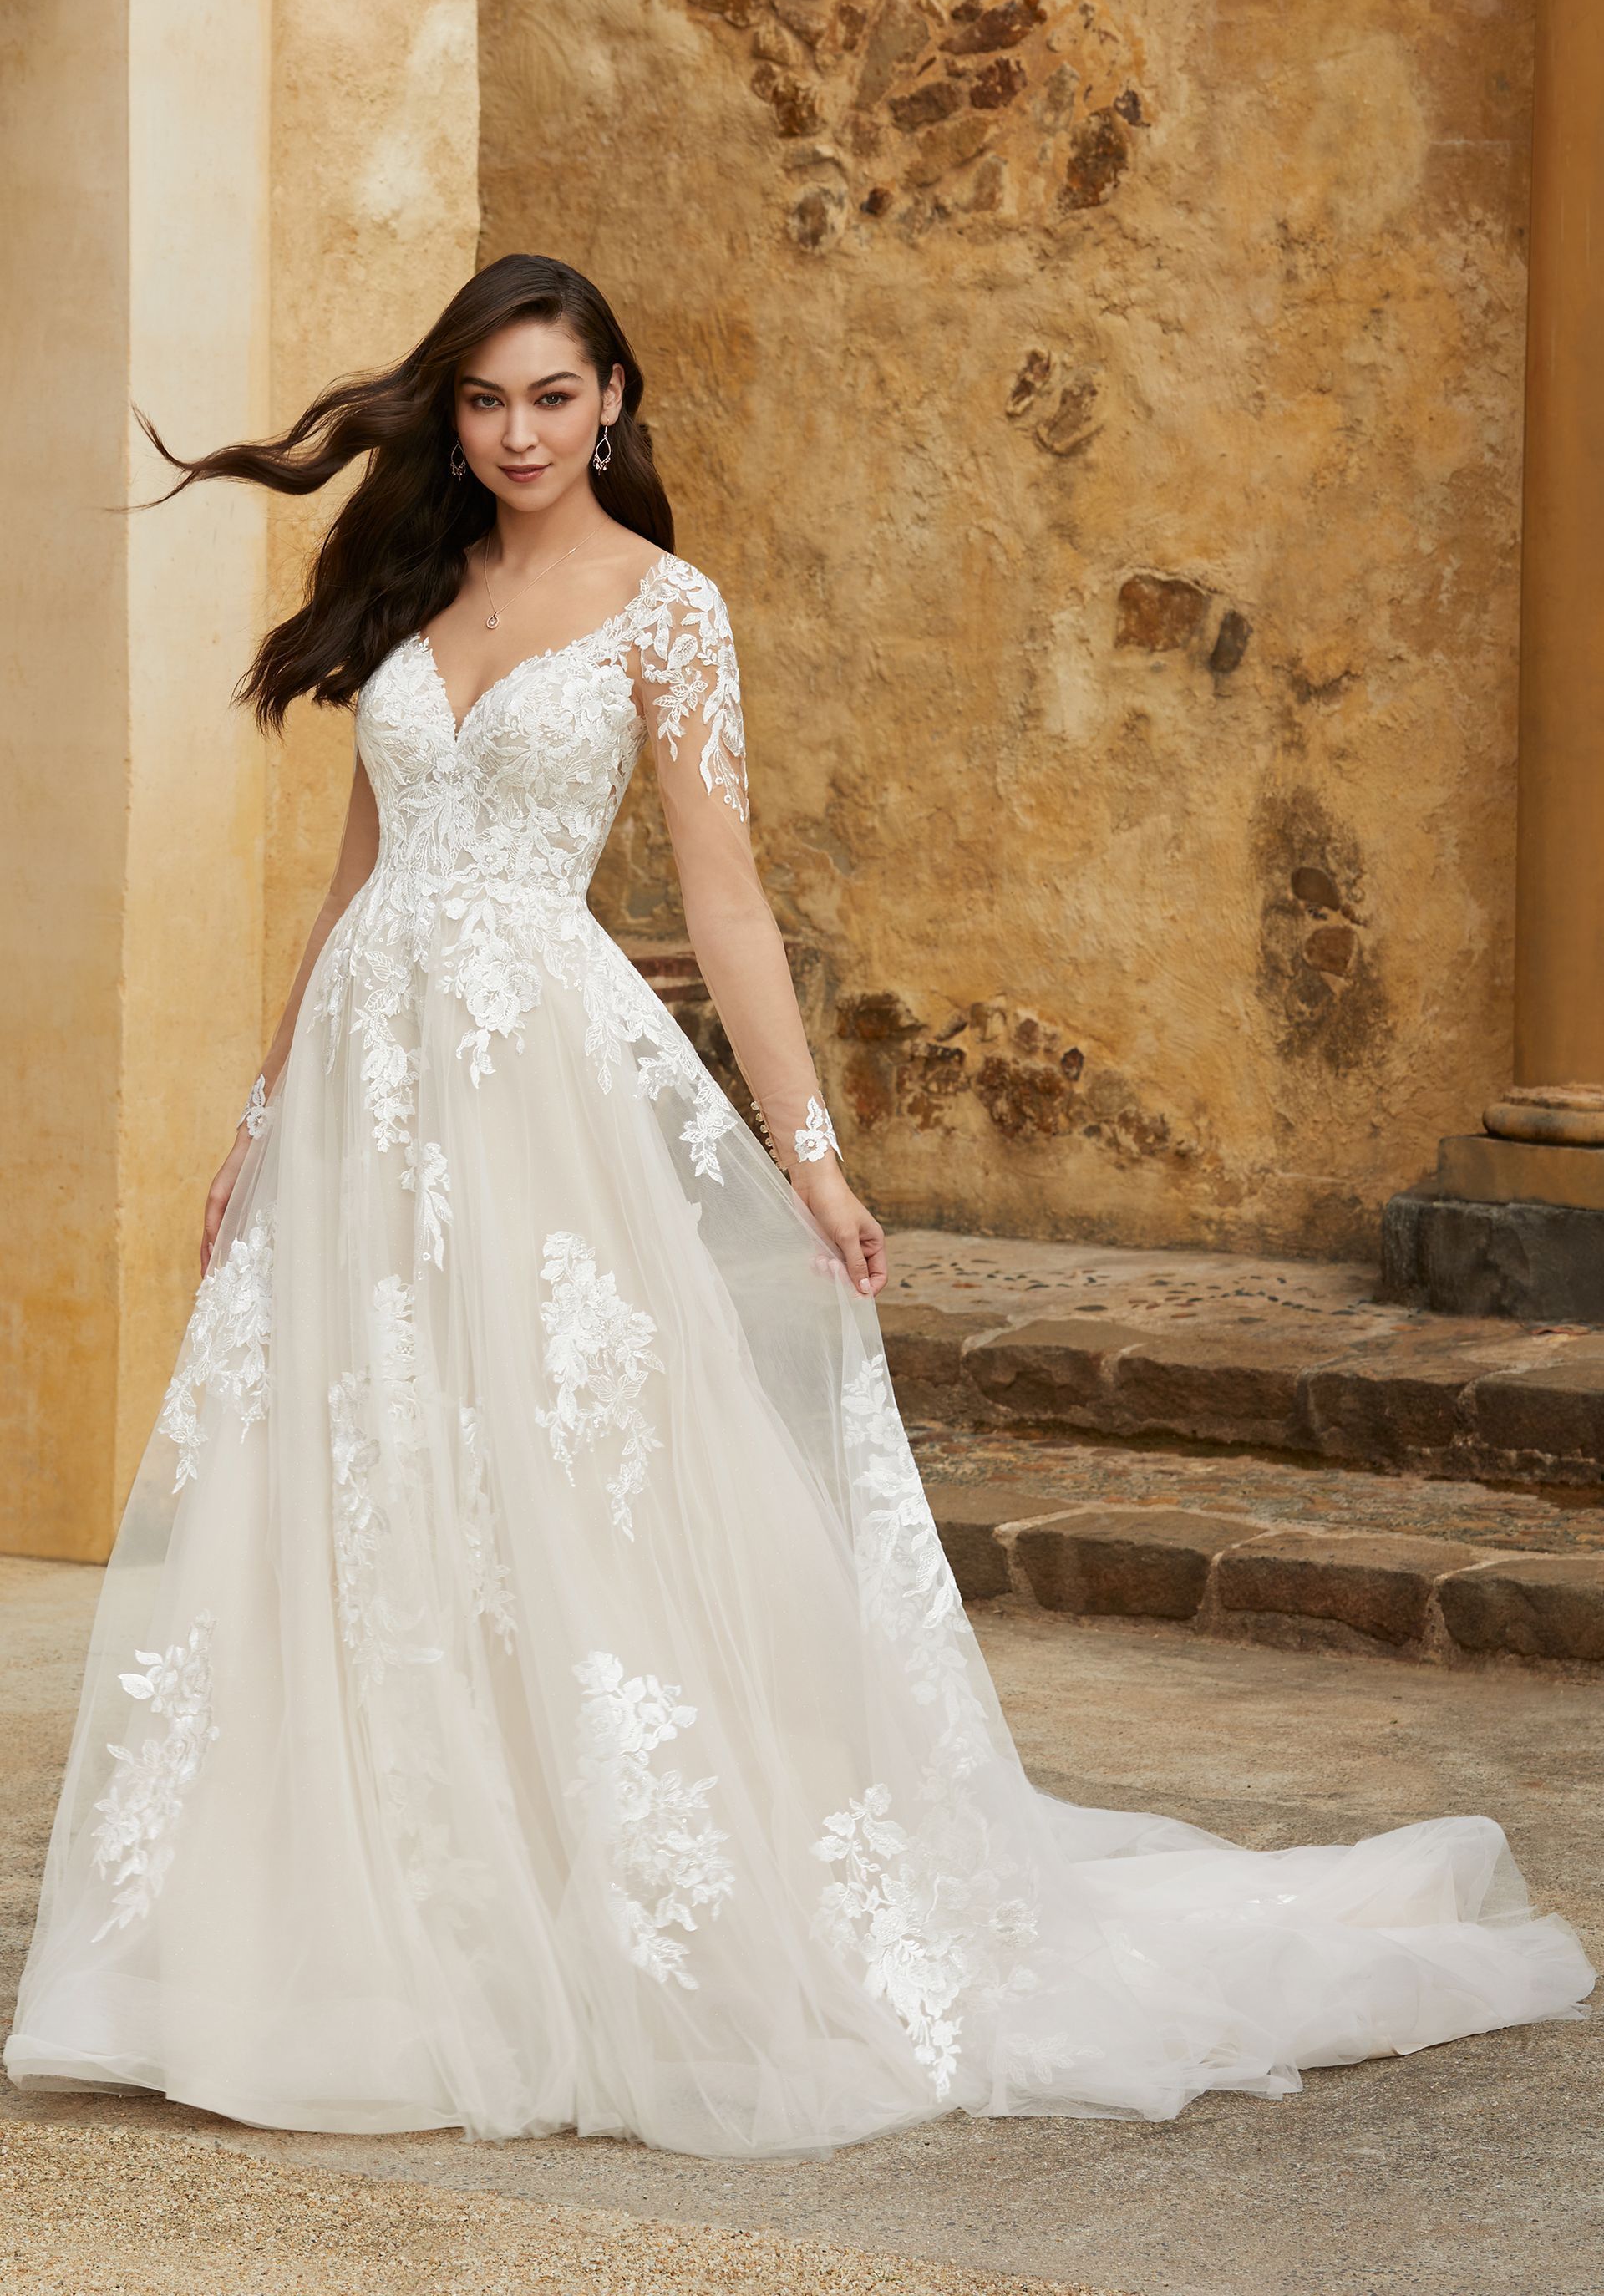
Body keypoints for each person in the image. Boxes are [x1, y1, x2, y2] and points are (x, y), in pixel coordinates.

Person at [6, 255, 1591, 2158]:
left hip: (535, 1090)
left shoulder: (668, 612)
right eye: (490, 400)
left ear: (613, 401)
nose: (517, 433)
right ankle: (394, 1909)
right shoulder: (415, 585)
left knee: (558, 1476)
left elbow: (725, 894)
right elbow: (359, 874)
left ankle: (611, 1921)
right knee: (375, 1477)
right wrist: (261, 1113)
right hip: (370, 1090)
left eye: (552, 397)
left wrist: (812, 1147)